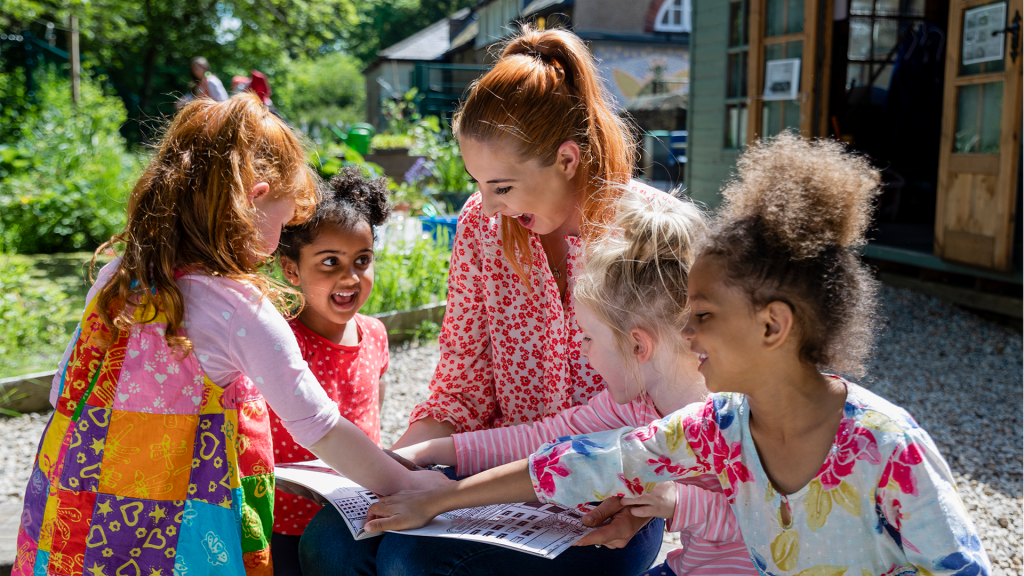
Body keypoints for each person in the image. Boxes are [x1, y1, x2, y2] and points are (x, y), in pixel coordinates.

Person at [364, 133, 993, 575]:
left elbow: (960, 568)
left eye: (704, 316)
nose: (685, 333)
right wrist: (436, 496)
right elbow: (576, 461)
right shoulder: (717, 427)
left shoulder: (887, 447)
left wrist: (674, 504)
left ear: (773, 326)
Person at [12, 94, 447, 576]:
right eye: (282, 221)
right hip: (177, 534)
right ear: (254, 200)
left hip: (77, 513)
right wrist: (409, 485)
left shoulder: (117, 276)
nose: (279, 238)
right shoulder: (238, 308)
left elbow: (64, 389)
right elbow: (319, 425)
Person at [299, 24, 675, 575]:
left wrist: (650, 495)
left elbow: (682, 411)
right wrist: (393, 469)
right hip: (487, 470)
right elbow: (461, 387)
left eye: (502, 187)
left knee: (411, 563)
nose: (489, 206)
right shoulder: (482, 224)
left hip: (607, 497)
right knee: (331, 542)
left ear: (567, 160)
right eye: (478, 184)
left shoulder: (646, 234)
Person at [394, 193, 758, 575]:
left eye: (588, 337)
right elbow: (545, 438)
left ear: (638, 346)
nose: (582, 351)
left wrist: (680, 503)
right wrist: (429, 451)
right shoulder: (636, 405)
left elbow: (776, 524)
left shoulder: (734, 417)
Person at [268, 168, 393, 576]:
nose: (350, 276)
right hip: (283, 523)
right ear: (291, 270)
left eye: (362, 260)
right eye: (330, 262)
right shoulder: (280, 340)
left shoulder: (375, 334)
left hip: (357, 516)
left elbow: (374, 416)